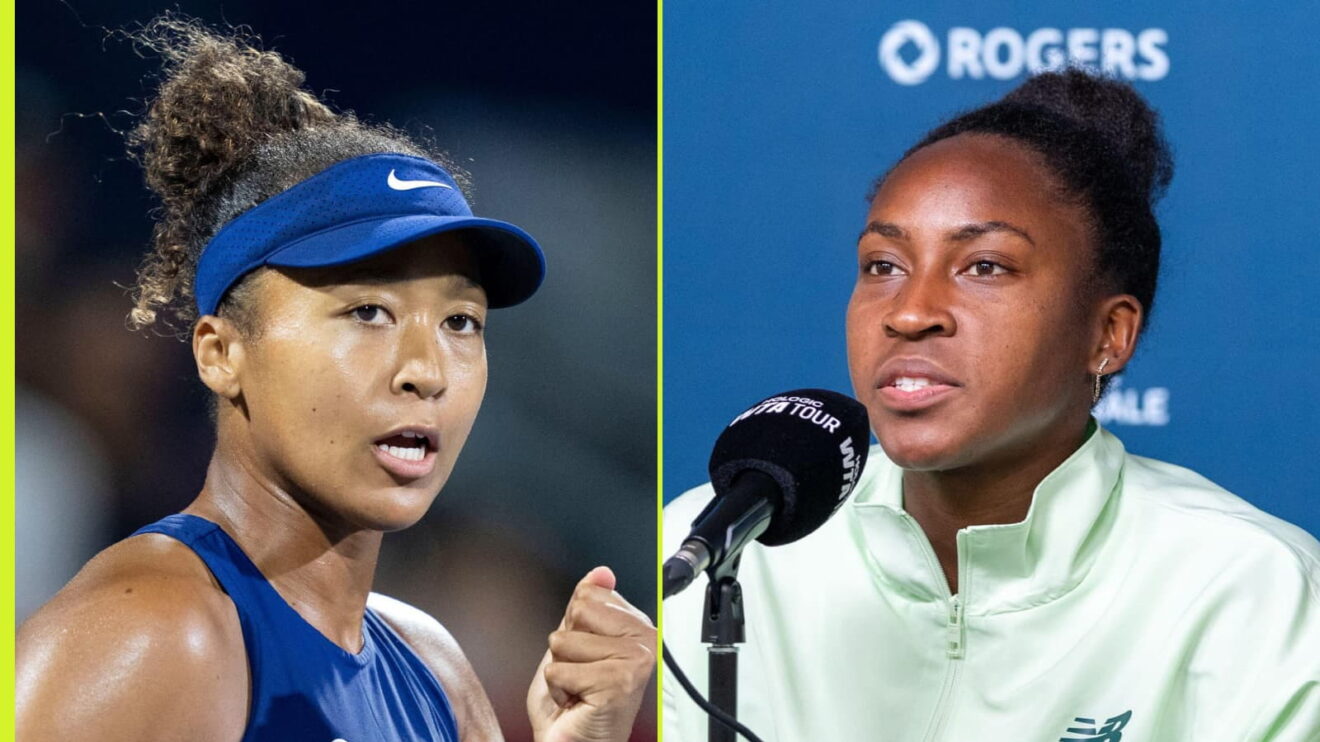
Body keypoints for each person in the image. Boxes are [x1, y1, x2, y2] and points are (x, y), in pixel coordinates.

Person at [17, 18, 655, 742]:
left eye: (461, 323)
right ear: (221, 354)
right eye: (368, 311)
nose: (426, 371)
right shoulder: (152, 634)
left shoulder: (436, 671)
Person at [663, 69, 1320, 740]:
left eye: (985, 266)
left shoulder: (1254, 589)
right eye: (883, 265)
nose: (911, 313)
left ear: (1108, 334)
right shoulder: (711, 544)